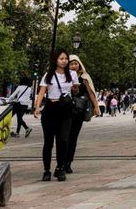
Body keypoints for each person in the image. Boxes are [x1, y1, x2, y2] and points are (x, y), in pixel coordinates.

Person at [33, 48, 78, 181]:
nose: (64, 61)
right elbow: (42, 91)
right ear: (56, 60)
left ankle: (60, 168)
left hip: (65, 110)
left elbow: (75, 90)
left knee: (63, 140)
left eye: (66, 59)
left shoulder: (72, 74)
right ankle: (46, 170)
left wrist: (75, 89)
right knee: (48, 142)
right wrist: (37, 107)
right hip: (50, 109)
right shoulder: (49, 75)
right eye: (61, 58)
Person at [64, 54, 100, 175]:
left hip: (78, 111)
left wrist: (96, 106)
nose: (74, 66)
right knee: (64, 137)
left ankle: (68, 162)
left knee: (73, 137)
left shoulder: (84, 77)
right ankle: (62, 161)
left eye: (75, 63)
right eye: (71, 64)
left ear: (79, 64)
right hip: (66, 109)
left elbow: (91, 92)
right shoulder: (63, 76)